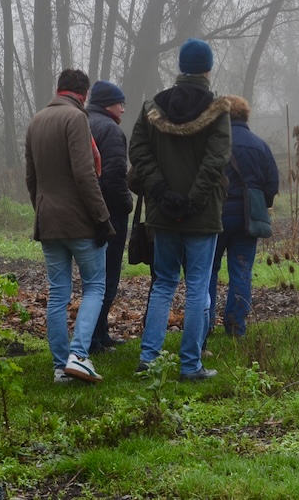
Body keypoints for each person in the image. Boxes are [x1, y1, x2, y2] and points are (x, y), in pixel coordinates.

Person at [129, 38, 231, 381]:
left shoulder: (150, 108)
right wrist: (192, 201)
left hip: (162, 214)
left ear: (181, 67)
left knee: (163, 285)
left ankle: (148, 360)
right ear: (207, 68)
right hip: (201, 216)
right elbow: (216, 160)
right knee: (198, 286)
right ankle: (191, 365)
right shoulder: (219, 110)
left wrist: (161, 192)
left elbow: (139, 153)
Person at [25, 68, 113, 384]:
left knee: (59, 292)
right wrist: (102, 217)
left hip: (48, 220)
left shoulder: (36, 120)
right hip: (79, 220)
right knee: (95, 286)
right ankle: (79, 355)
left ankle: (61, 367)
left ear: (59, 89)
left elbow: (31, 178)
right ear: (83, 94)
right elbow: (84, 173)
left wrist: (42, 209)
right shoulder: (75, 119)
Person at [208, 95, 279, 338]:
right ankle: (236, 327)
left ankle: (204, 327)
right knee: (241, 270)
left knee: (208, 269)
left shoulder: (214, 142)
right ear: (245, 115)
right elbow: (272, 184)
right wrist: (260, 204)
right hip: (248, 218)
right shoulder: (260, 145)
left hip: (216, 216)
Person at [86, 80, 133, 355]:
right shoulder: (110, 130)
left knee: (95, 276)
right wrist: (126, 204)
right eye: (120, 103)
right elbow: (115, 176)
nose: (123, 109)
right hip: (110, 214)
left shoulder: (84, 122)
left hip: (87, 212)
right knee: (108, 276)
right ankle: (95, 338)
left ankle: (101, 333)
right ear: (107, 104)